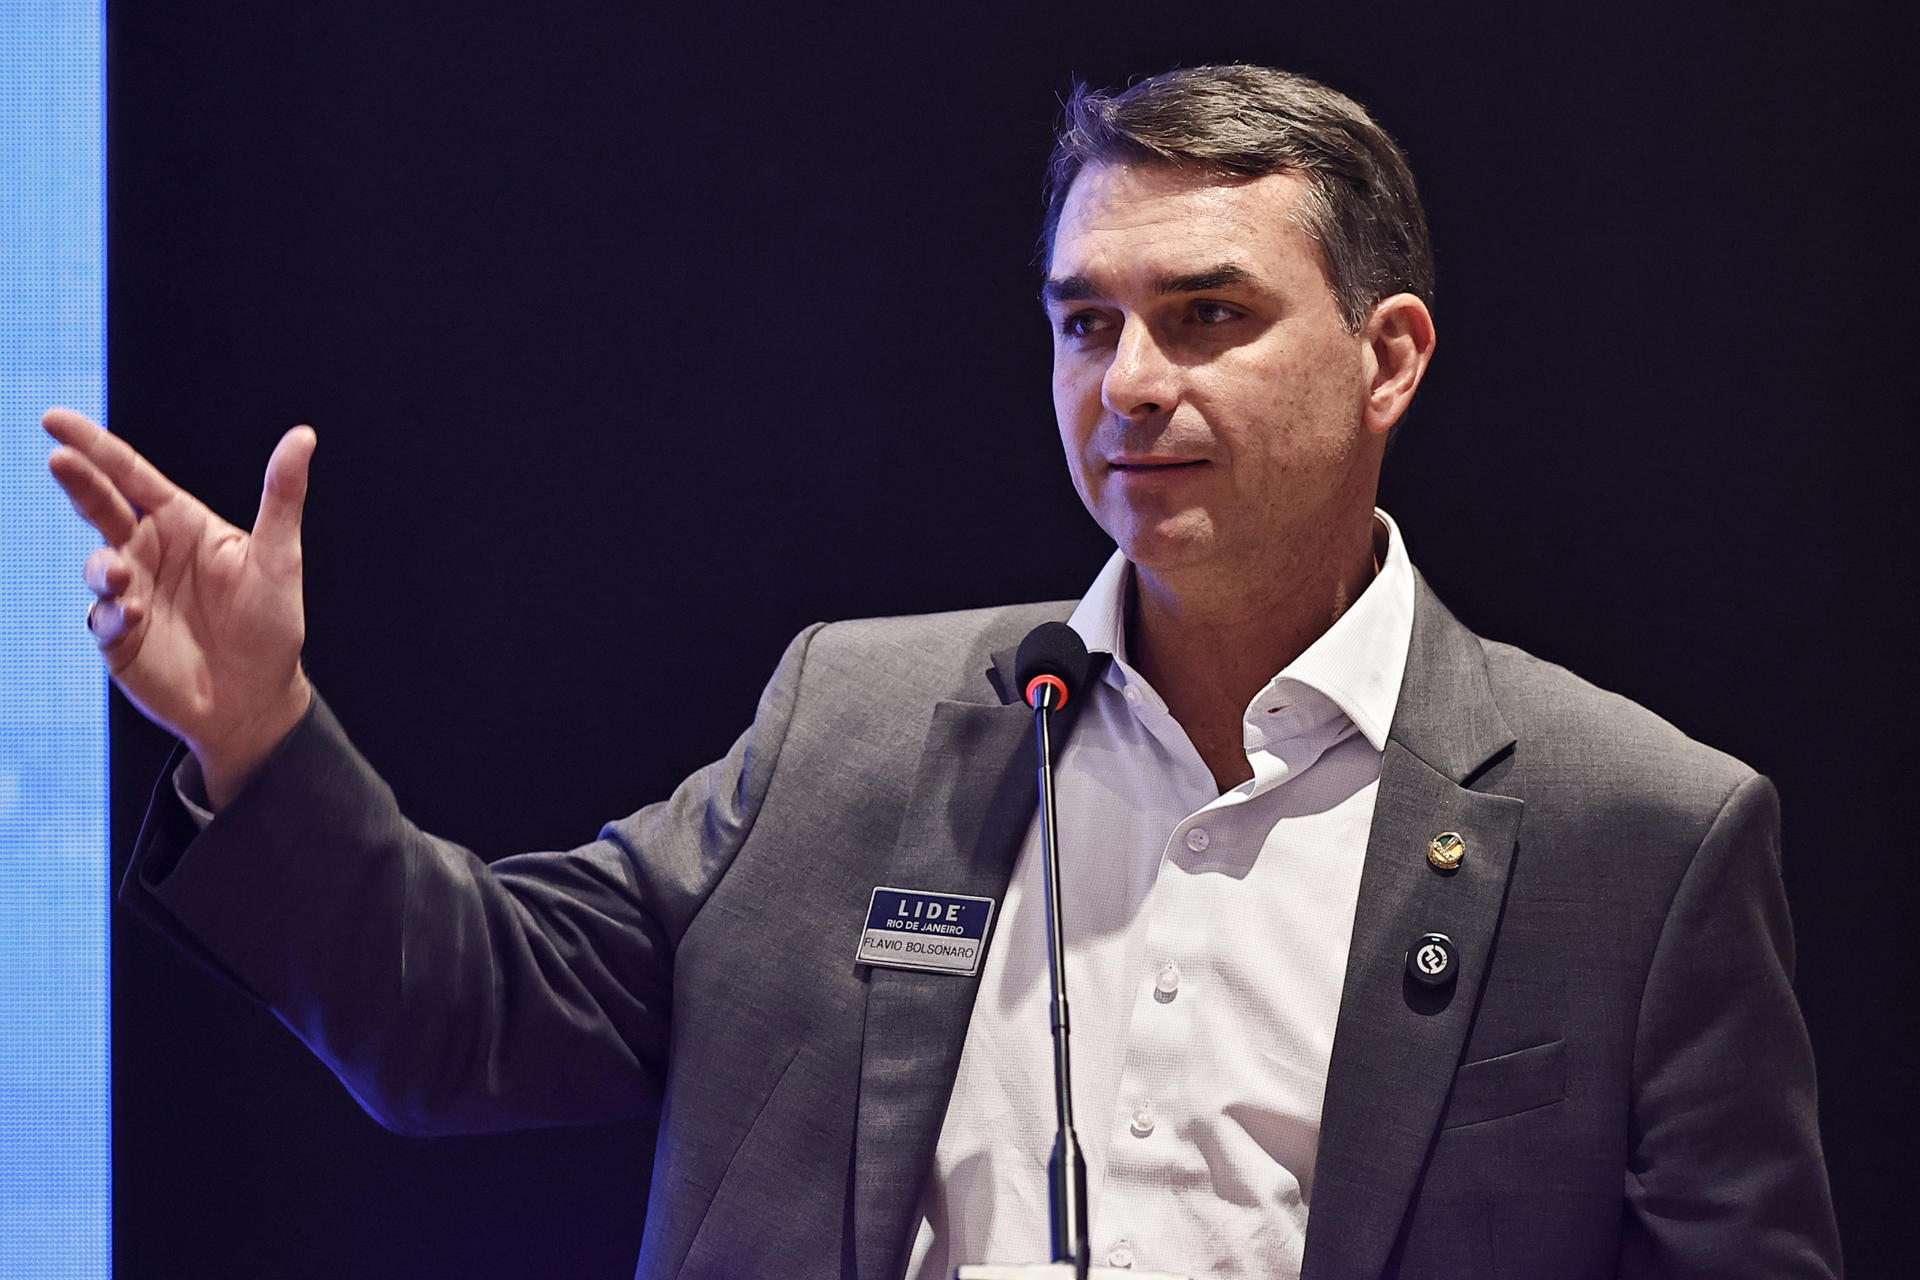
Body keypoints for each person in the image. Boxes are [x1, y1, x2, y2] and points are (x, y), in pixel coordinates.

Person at [46, 65, 1840, 1279]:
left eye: (1207, 316)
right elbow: (469, 1016)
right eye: (1085, 323)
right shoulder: (858, 723)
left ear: (1389, 359)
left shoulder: (1639, 835)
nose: (1129, 383)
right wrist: (258, 732)